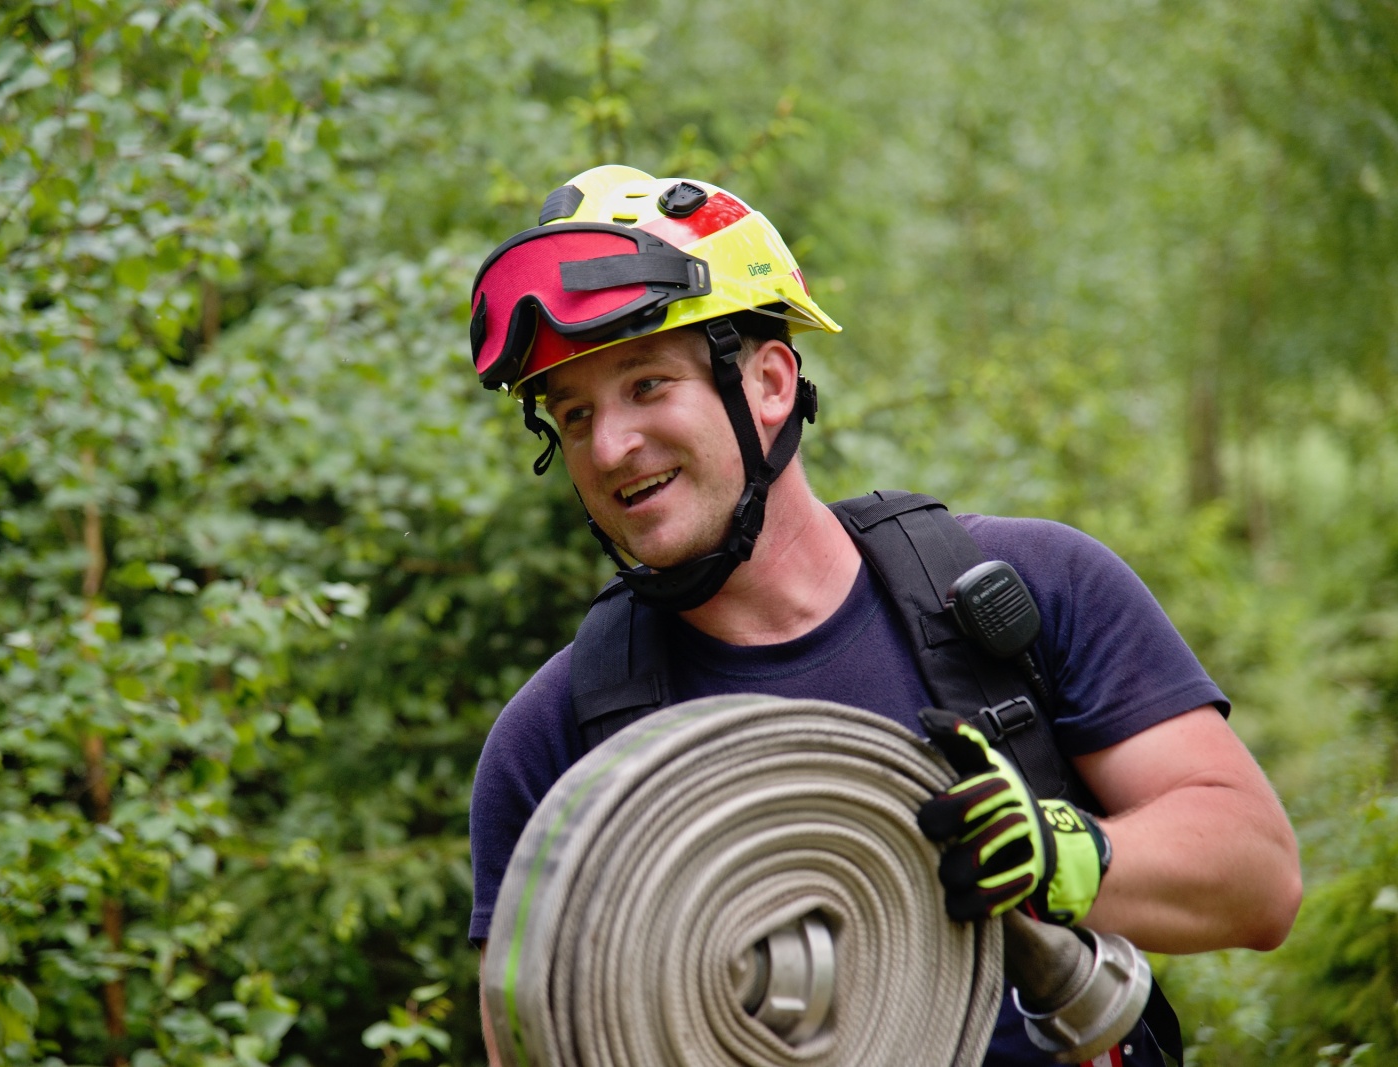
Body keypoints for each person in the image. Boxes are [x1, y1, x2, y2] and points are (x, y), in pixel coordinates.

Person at [465, 165, 1300, 1066]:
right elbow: (533, 1039)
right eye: (574, 412)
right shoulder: (557, 742)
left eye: (647, 386)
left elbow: (1260, 878)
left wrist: (1069, 857)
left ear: (771, 384)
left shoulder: (1022, 588)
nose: (609, 446)